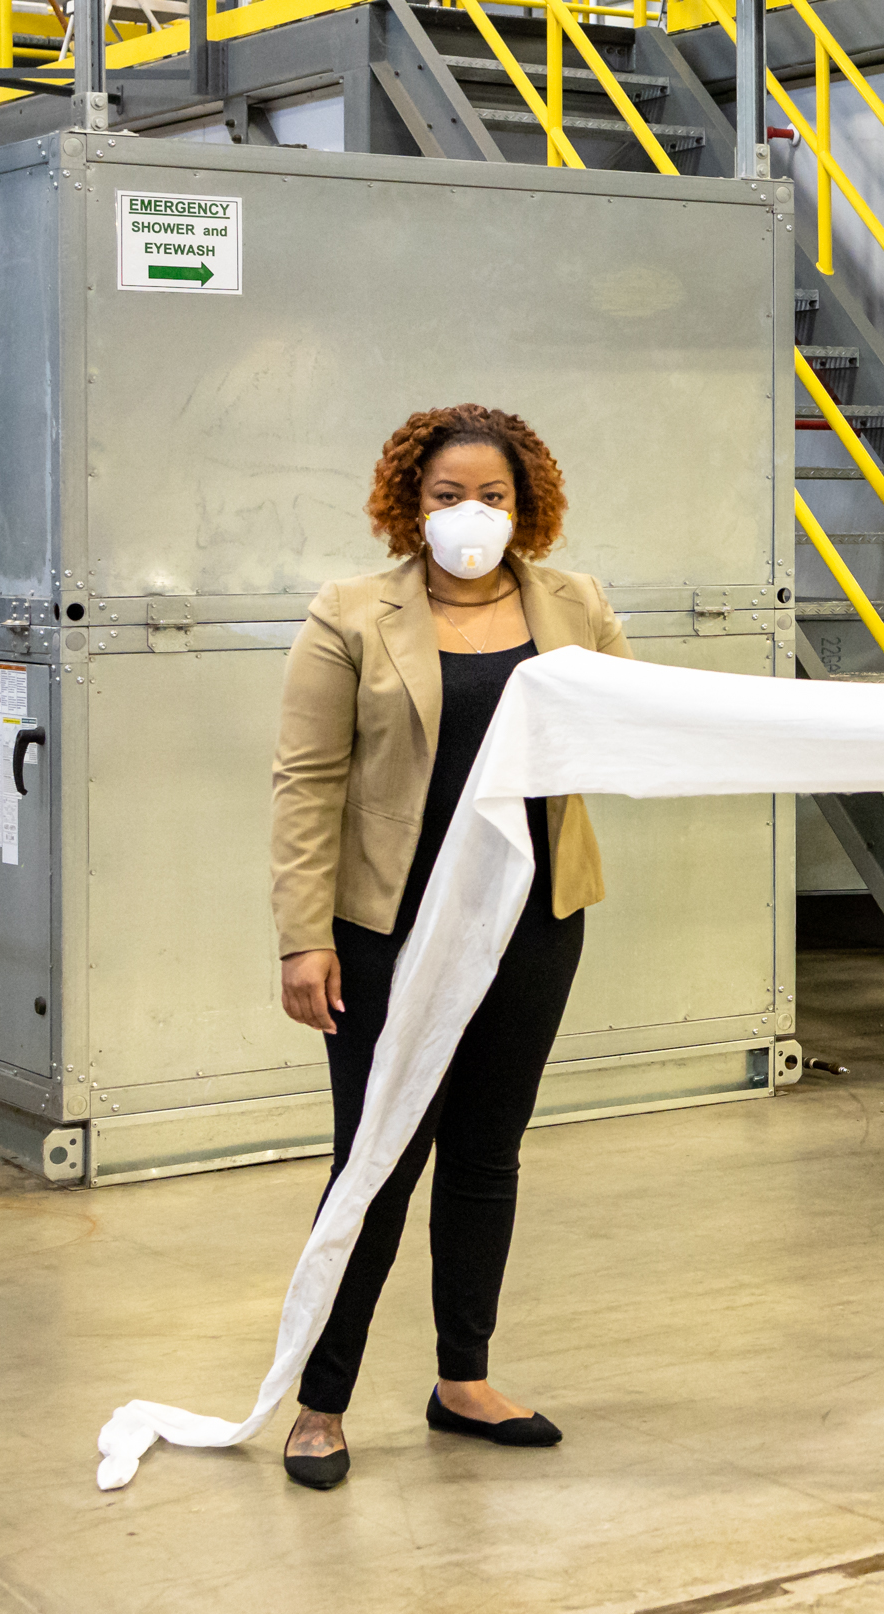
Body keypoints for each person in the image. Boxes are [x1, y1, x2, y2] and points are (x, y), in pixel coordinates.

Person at [268, 405, 633, 1490]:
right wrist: (302, 939)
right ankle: (320, 1402)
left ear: (525, 508)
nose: (470, 513)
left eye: (493, 495)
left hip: (533, 916)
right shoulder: (351, 614)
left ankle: (462, 1378)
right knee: (374, 1161)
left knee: (487, 1150)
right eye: (446, 495)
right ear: (408, 502)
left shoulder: (573, 603)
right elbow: (305, 783)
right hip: (387, 928)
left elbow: (633, 717)